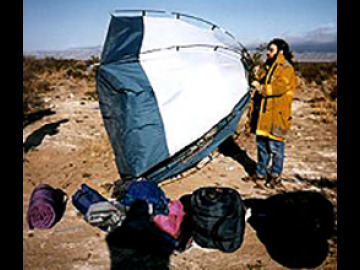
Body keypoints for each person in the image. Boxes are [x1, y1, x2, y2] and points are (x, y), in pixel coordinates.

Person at [244, 38, 296, 187]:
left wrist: (260, 88)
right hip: (263, 115)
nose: (268, 52)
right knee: (262, 147)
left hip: (277, 117)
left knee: (275, 149)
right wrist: (256, 72)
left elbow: (278, 88)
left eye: (271, 50)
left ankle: (275, 176)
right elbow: (260, 78)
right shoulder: (268, 66)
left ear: (280, 51)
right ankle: (260, 173)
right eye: (268, 49)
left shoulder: (286, 68)